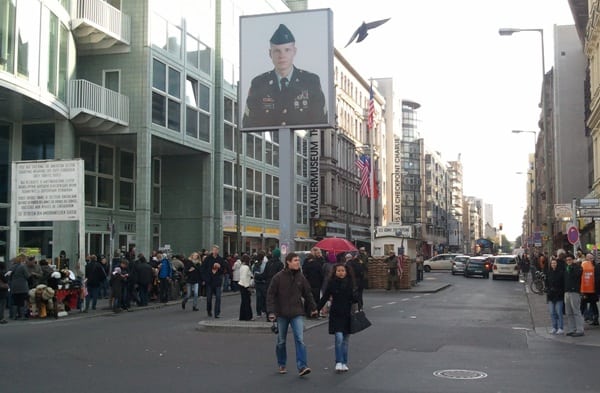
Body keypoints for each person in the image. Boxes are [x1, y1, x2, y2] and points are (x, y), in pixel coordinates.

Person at [242, 23, 327, 129]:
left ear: (294, 52)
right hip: (271, 144)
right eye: (277, 51)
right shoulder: (259, 83)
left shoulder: (311, 81)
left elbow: (321, 122)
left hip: (302, 143)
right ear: (270, 53)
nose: (282, 55)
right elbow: (249, 124)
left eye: (287, 50)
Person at [266, 252, 318, 377]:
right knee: (281, 341)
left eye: (298, 260)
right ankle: (282, 363)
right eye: (295, 260)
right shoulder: (278, 277)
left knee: (300, 339)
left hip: (296, 312)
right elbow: (271, 295)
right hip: (281, 313)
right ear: (288, 262)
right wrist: (271, 311)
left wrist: (314, 308)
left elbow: (308, 293)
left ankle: (302, 366)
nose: (297, 262)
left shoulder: (301, 277)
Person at [317, 262, 359, 373]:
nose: (341, 273)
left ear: (346, 272)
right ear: (335, 272)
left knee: (345, 340)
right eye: (339, 271)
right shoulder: (332, 283)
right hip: (336, 314)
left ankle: (344, 362)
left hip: (347, 314)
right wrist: (316, 309)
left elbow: (355, 299)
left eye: (343, 271)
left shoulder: (351, 284)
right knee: (339, 338)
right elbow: (325, 297)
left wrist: (355, 294)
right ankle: (338, 362)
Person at [202, 245, 226, 318]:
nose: (215, 251)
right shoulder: (208, 259)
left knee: (218, 297)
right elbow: (203, 269)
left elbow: (224, 270)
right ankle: (209, 310)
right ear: (212, 250)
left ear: (218, 251)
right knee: (209, 298)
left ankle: (217, 313)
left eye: (216, 250)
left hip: (217, 281)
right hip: (209, 281)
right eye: (214, 250)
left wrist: (220, 267)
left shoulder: (220, 259)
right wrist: (205, 279)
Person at [564, 254, 585, 336]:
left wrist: (573, 266)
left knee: (576, 311)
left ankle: (580, 330)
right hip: (567, 292)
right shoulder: (566, 269)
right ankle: (572, 329)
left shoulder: (577, 267)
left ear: (573, 260)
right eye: (567, 260)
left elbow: (578, 274)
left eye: (570, 259)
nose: (568, 261)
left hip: (574, 292)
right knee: (569, 312)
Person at [302, 247, 325, 316]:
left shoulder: (306, 263)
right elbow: (321, 275)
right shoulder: (318, 264)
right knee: (315, 298)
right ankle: (314, 312)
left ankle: (307, 311)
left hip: (308, 282)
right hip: (316, 283)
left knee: (308, 297)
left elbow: (304, 272)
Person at [545, 257, 565, 334]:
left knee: (559, 312)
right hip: (551, 295)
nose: (553, 264)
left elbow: (563, 283)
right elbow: (546, 282)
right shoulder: (548, 272)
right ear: (550, 264)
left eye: (555, 263)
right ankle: (554, 327)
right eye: (552, 263)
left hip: (559, 295)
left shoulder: (561, 272)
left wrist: (560, 291)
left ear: (557, 264)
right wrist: (547, 289)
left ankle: (560, 328)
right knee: (552, 312)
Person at [580, 253, 599, 325]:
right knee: (583, 304)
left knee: (593, 304)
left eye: (592, 258)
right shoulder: (583, 265)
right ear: (586, 258)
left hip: (593, 289)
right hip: (585, 289)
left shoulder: (596, 266)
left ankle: (595, 319)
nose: (591, 259)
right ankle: (581, 319)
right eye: (590, 258)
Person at [238, 254, 254, 321]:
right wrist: (248, 287)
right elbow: (245, 277)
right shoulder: (246, 268)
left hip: (241, 284)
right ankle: (248, 316)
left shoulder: (241, 267)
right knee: (247, 302)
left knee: (243, 302)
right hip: (245, 285)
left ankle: (242, 316)